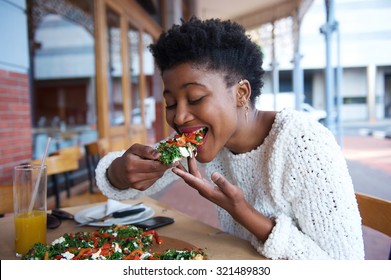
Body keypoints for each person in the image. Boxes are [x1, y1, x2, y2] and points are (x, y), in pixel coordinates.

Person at [95, 17, 364, 260]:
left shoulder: (304, 144)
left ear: (241, 93)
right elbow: (123, 184)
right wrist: (120, 171)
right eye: (170, 103)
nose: (179, 118)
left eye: (196, 98)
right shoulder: (207, 138)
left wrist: (243, 212)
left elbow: (347, 268)